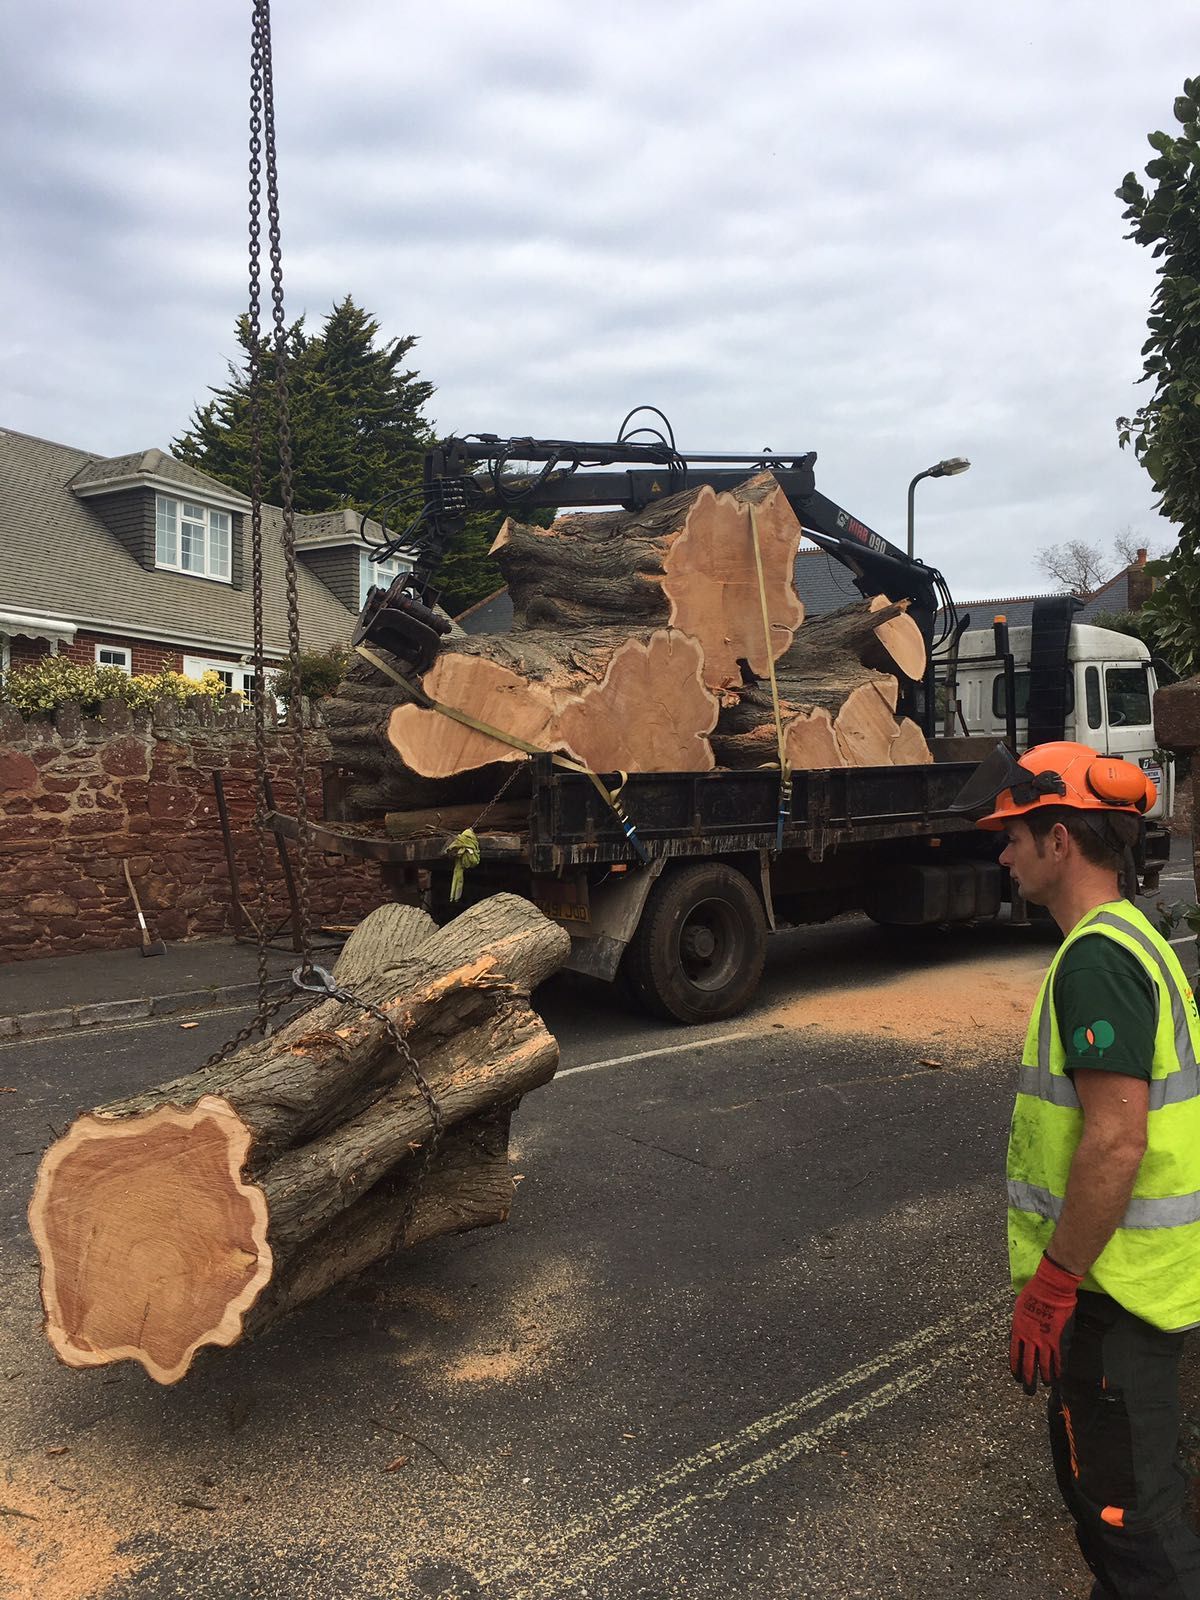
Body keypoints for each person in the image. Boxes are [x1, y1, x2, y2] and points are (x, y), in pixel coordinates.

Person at [961, 740, 1200, 1599]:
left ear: (1060, 840)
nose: (1003, 851)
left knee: (1132, 1524)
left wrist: (1055, 1283)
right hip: (1134, 1283)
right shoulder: (1132, 937)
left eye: (1015, 834)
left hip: (1114, 1294)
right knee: (1111, 1509)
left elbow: (1115, 1141)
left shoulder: (1096, 958)